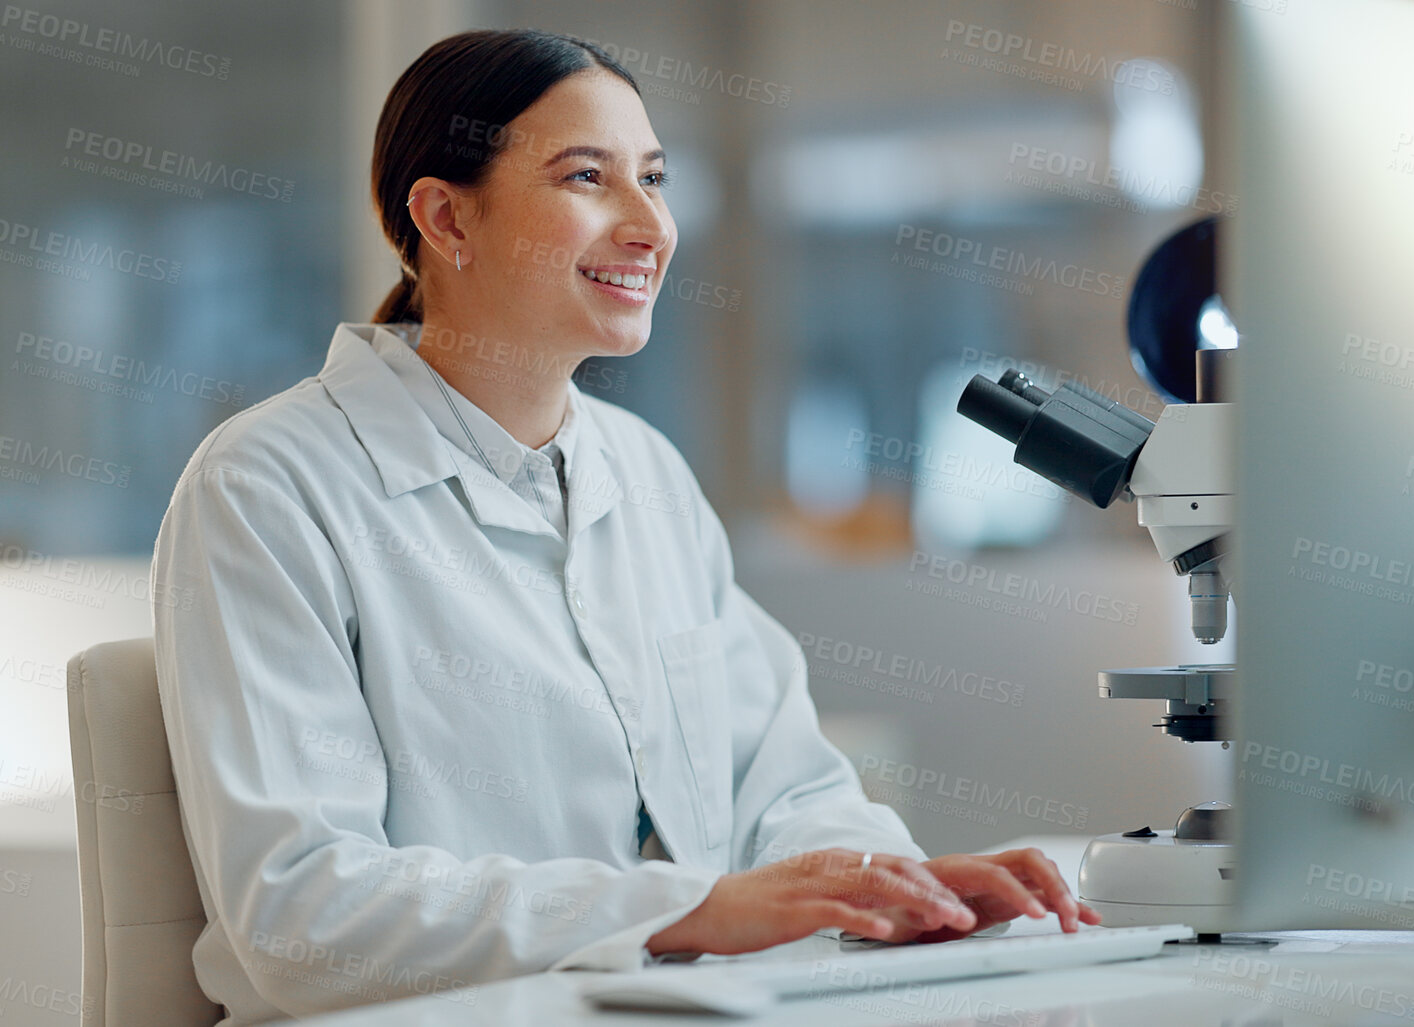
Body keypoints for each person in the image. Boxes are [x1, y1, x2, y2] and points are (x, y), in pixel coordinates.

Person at [151, 27, 1098, 1024]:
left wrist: (890, 886)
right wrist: (687, 909)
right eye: (586, 177)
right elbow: (302, 912)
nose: (650, 224)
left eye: (654, 177)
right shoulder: (271, 485)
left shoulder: (644, 473)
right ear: (445, 216)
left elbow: (780, 784)